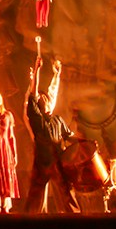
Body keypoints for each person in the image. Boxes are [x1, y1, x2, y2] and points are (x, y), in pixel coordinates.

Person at [24, 55, 77, 213]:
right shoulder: (35, 117)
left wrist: (85, 142)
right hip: (42, 162)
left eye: (46, 97)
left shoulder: (57, 120)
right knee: (35, 197)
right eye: (41, 98)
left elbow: (69, 136)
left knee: (67, 194)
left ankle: (76, 224)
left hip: (58, 161)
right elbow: (33, 95)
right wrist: (37, 70)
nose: (45, 98)